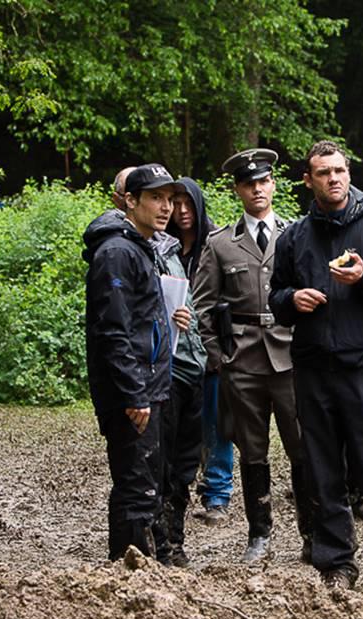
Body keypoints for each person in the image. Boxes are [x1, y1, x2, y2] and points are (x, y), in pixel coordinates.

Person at [269, 140, 363, 590]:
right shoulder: (295, 236)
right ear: (308, 180)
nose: (333, 179)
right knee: (323, 473)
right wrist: (292, 300)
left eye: (339, 171)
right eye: (323, 173)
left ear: (349, 174)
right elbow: (276, 298)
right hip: (313, 369)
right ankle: (336, 565)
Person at [193, 148, 310, 563]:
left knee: (302, 449)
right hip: (241, 360)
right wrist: (219, 356)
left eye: (263, 182)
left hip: (290, 358)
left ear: (274, 185)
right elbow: (203, 305)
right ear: (238, 190)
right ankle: (259, 534)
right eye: (249, 184)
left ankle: (310, 533)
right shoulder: (221, 243)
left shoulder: (297, 234)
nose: (257, 189)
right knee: (253, 451)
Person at [83, 163, 174, 561]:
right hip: (130, 392)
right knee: (137, 487)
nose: (166, 206)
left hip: (148, 384)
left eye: (170, 198)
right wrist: (134, 393)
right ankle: (131, 575)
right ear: (130, 201)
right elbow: (113, 331)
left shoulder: (140, 245)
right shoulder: (117, 252)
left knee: (147, 481)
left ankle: (144, 566)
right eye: (156, 197)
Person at [147, 179, 209, 566]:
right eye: (166, 200)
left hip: (192, 367)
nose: (173, 209)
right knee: (162, 462)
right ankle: (159, 542)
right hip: (164, 371)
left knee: (186, 462)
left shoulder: (177, 251)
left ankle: (175, 538)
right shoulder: (138, 249)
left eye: (176, 201)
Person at [168, 178, 235, 524]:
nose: (181, 212)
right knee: (179, 426)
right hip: (173, 353)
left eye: (187, 204)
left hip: (211, 349)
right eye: (174, 203)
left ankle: (217, 494)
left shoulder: (216, 243)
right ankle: (177, 487)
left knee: (216, 423)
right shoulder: (162, 247)